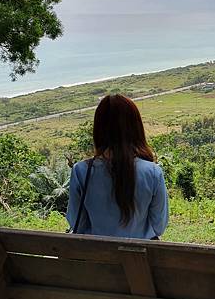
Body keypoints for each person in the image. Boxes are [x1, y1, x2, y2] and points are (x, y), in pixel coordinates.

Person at [66, 94, 169, 239]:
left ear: (99, 129)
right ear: (135, 127)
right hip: (139, 260)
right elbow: (159, 226)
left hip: (97, 258)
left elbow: (77, 223)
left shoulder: (81, 171)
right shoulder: (153, 172)